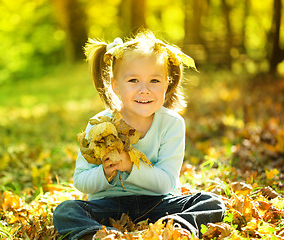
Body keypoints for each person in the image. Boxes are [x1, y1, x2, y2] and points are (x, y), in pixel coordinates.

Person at [53, 30, 225, 240]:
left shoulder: (171, 124)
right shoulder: (99, 125)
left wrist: (131, 166)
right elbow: (81, 180)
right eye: (133, 80)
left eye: (154, 80)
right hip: (108, 206)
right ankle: (105, 236)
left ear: (167, 83)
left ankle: (172, 230)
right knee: (66, 211)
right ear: (115, 86)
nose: (145, 90)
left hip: (159, 205)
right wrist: (105, 173)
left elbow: (166, 183)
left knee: (211, 202)